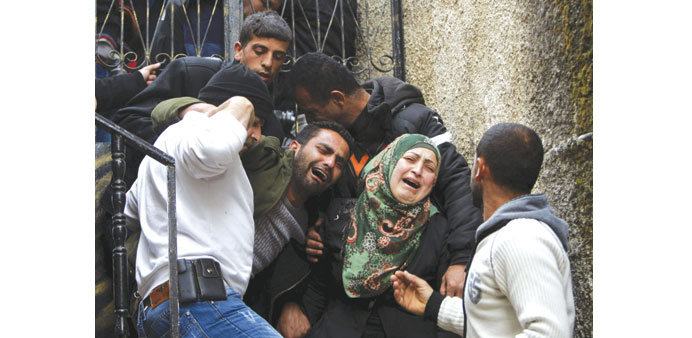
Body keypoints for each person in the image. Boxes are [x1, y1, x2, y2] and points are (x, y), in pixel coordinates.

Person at [288, 51, 481, 308]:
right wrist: (316, 228)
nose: (310, 122)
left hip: (413, 290)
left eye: (312, 113)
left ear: (337, 99)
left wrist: (461, 259)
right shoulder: (336, 145)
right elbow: (328, 203)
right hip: (348, 300)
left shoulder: (415, 121)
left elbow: (457, 185)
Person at [150, 95, 354, 334]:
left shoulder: (312, 221)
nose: (329, 162)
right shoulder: (262, 156)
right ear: (295, 147)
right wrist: (210, 110)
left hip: (230, 304)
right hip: (187, 287)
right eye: (323, 150)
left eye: (339, 162)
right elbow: (161, 113)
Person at [124, 66, 282, 336]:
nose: (256, 135)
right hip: (197, 301)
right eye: (253, 121)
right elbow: (214, 146)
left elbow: (128, 212)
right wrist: (241, 106)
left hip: (168, 305)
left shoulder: (161, 153)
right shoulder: (198, 132)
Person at [390, 123, 575, 338]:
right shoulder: (504, 234)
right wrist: (434, 305)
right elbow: (495, 323)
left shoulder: (521, 237)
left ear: (480, 168)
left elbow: (550, 333)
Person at [288, 134, 460, 337]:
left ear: (433, 183)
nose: (418, 170)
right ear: (389, 161)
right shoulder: (341, 215)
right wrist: (299, 314)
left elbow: (445, 309)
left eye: (430, 168)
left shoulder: (439, 230)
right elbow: (320, 285)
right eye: (410, 159)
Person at [112, 10, 292, 189]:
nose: (268, 63)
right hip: (147, 196)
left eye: (278, 57)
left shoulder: (269, 121)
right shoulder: (192, 72)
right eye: (259, 51)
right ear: (238, 50)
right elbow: (127, 123)